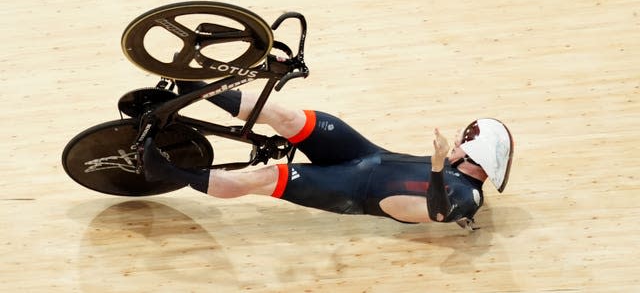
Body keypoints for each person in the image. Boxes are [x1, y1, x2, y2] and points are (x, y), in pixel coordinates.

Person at [142, 81, 514, 229]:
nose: (456, 144)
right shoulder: (464, 188)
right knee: (287, 116)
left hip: (351, 189)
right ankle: (199, 91)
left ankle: (166, 171)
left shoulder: (468, 197)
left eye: (464, 143)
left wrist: (435, 167)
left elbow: (437, 212)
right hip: (365, 154)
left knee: (264, 178)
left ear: (478, 156)